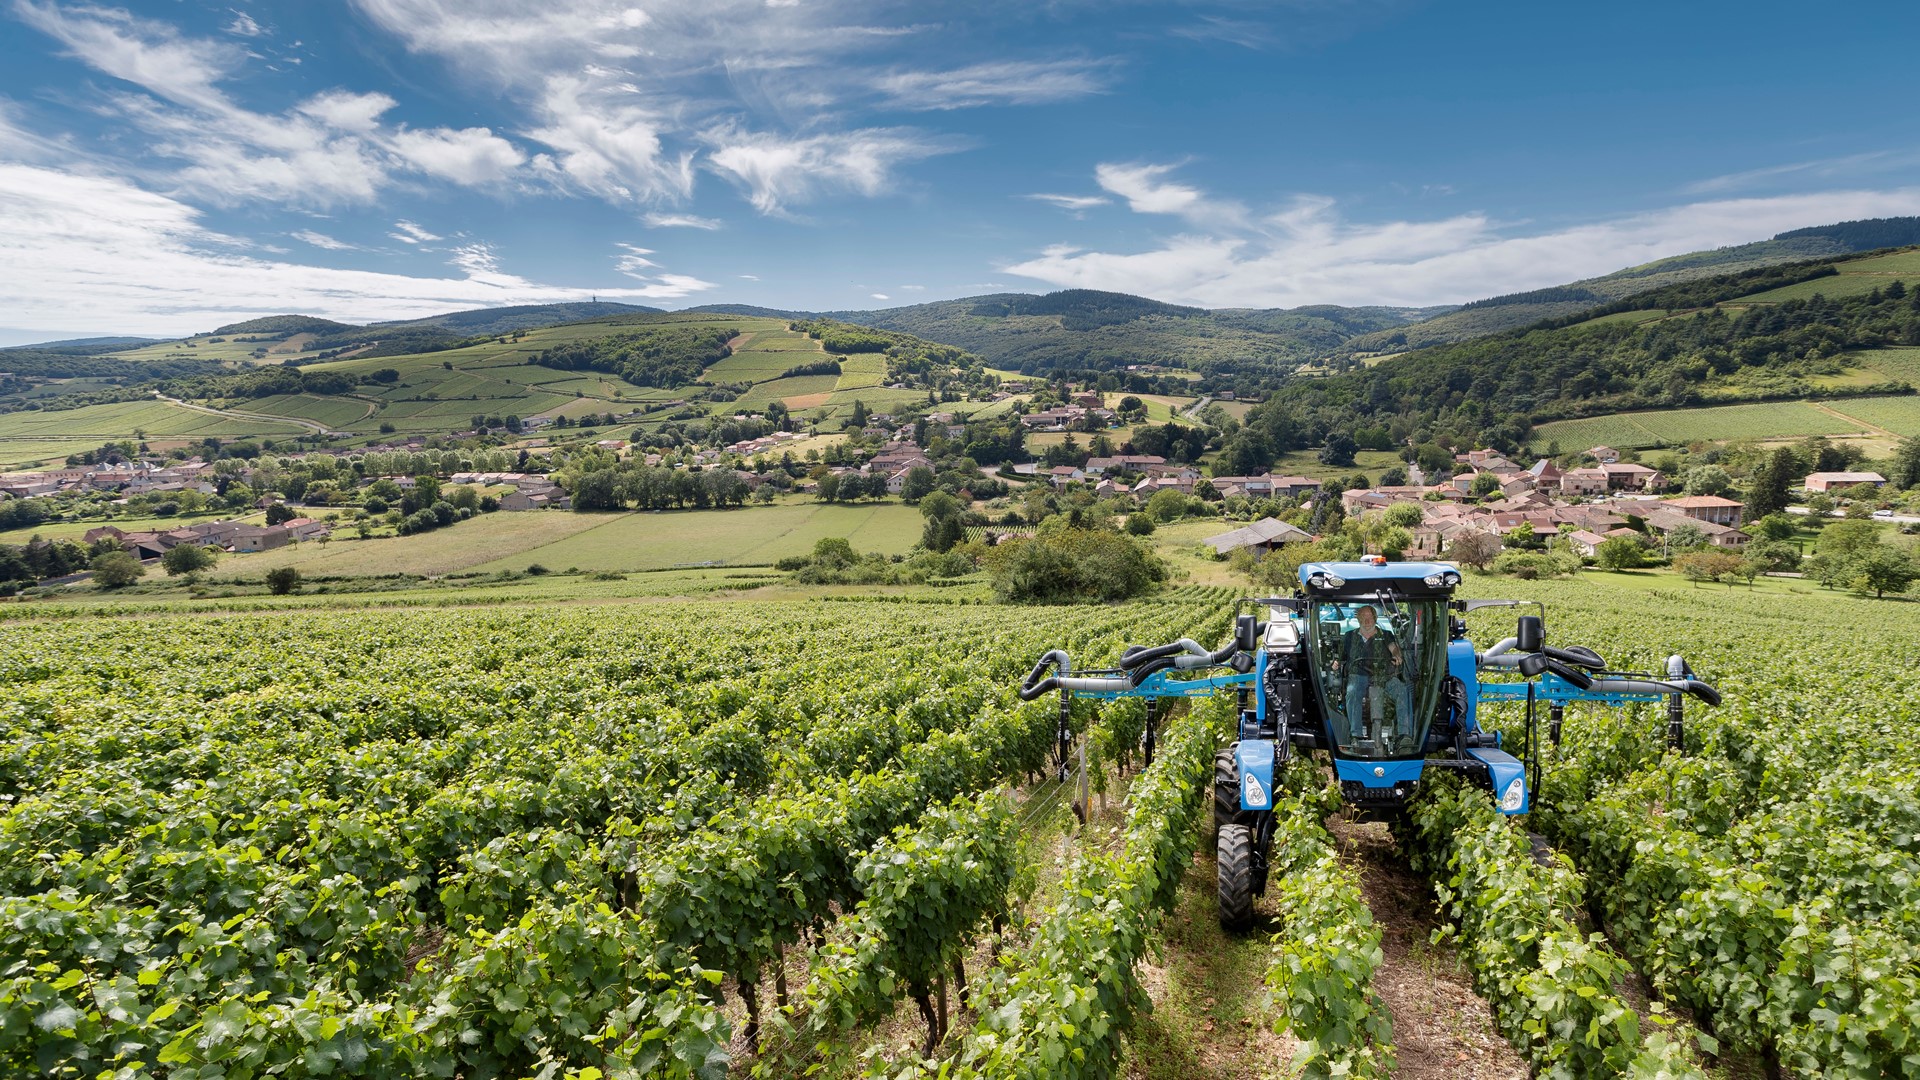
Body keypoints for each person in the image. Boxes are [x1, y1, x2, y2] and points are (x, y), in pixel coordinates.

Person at [1335, 605, 1404, 744]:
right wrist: (1335, 662)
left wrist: (1397, 655)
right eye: (1363, 618)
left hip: (1384, 676)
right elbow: (1339, 657)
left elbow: (1394, 648)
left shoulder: (1385, 635)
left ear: (1375, 618)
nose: (1367, 621)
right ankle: (1356, 735)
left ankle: (1404, 735)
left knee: (1402, 690)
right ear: (1358, 619)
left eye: (1370, 617)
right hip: (1357, 676)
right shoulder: (1349, 636)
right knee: (1352, 693)